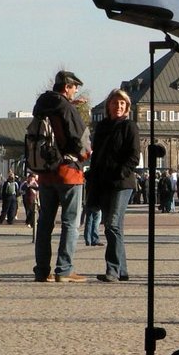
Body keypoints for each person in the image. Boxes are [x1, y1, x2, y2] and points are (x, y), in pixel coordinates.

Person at [32, 70, 91, 283]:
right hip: (68, 173)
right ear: (67, 87)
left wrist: (71, 105)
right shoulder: (66, 107)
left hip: (45, 173)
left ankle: (41, 270)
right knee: (70, 223)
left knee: (45, 222)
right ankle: (64, 269)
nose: (76, 91)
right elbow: (79, 140)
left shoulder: (41, 105)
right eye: (74, 87)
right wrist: (85, 155)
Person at [86, 88, 141, 282]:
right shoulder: (101, 128)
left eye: (122, 104)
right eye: (114, 103)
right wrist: (92, 177)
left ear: (127, 107)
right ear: (108, 105)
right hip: (103, 182)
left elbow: (134, 156)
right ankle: (122, 270)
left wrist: (121, 171)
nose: (118, 106)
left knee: (112, 225)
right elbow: (97, 156)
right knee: (115, 227)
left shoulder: (130, 127)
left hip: (122, 182)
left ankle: (113, 269)